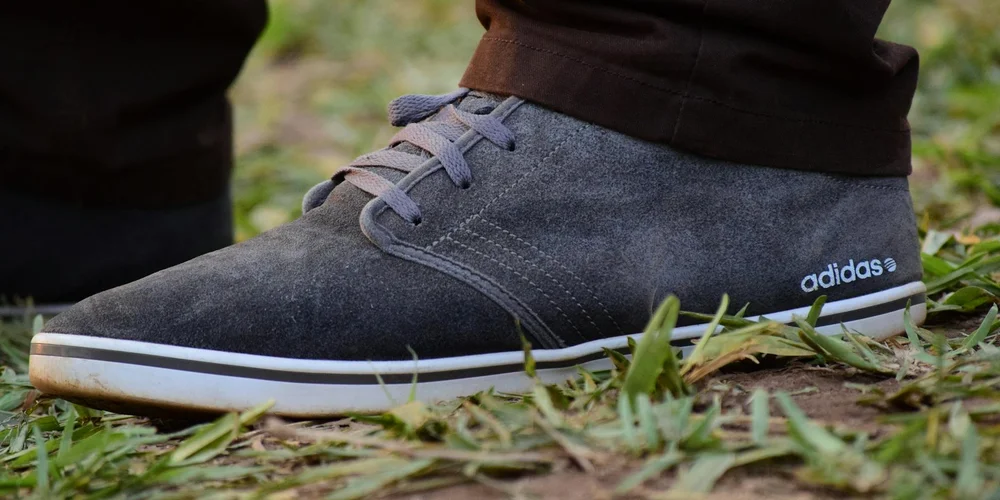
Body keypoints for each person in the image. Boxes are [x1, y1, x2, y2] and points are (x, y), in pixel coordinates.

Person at [18, 1, 925, 417]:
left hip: (720, 121)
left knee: (676, 51)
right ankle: (82, 160)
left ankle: (694, 95)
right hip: (91, 155)